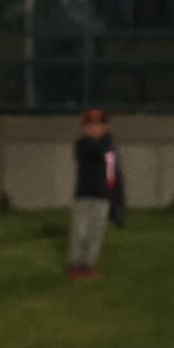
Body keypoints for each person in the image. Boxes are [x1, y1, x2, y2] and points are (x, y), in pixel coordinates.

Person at [66, 107, 126, 280]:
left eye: (99, 125)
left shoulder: (110, 149)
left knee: (96, 232)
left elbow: (112, 173)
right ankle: (75, 265)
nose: (94, 128)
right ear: (84, 128)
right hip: (84, 195)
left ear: (105, 126)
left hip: (102, 196)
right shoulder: (82, 145)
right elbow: (96, 150)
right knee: (80, 231)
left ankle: (87, 265)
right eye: (90, 125)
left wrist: (116, 198)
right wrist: (107, 141)